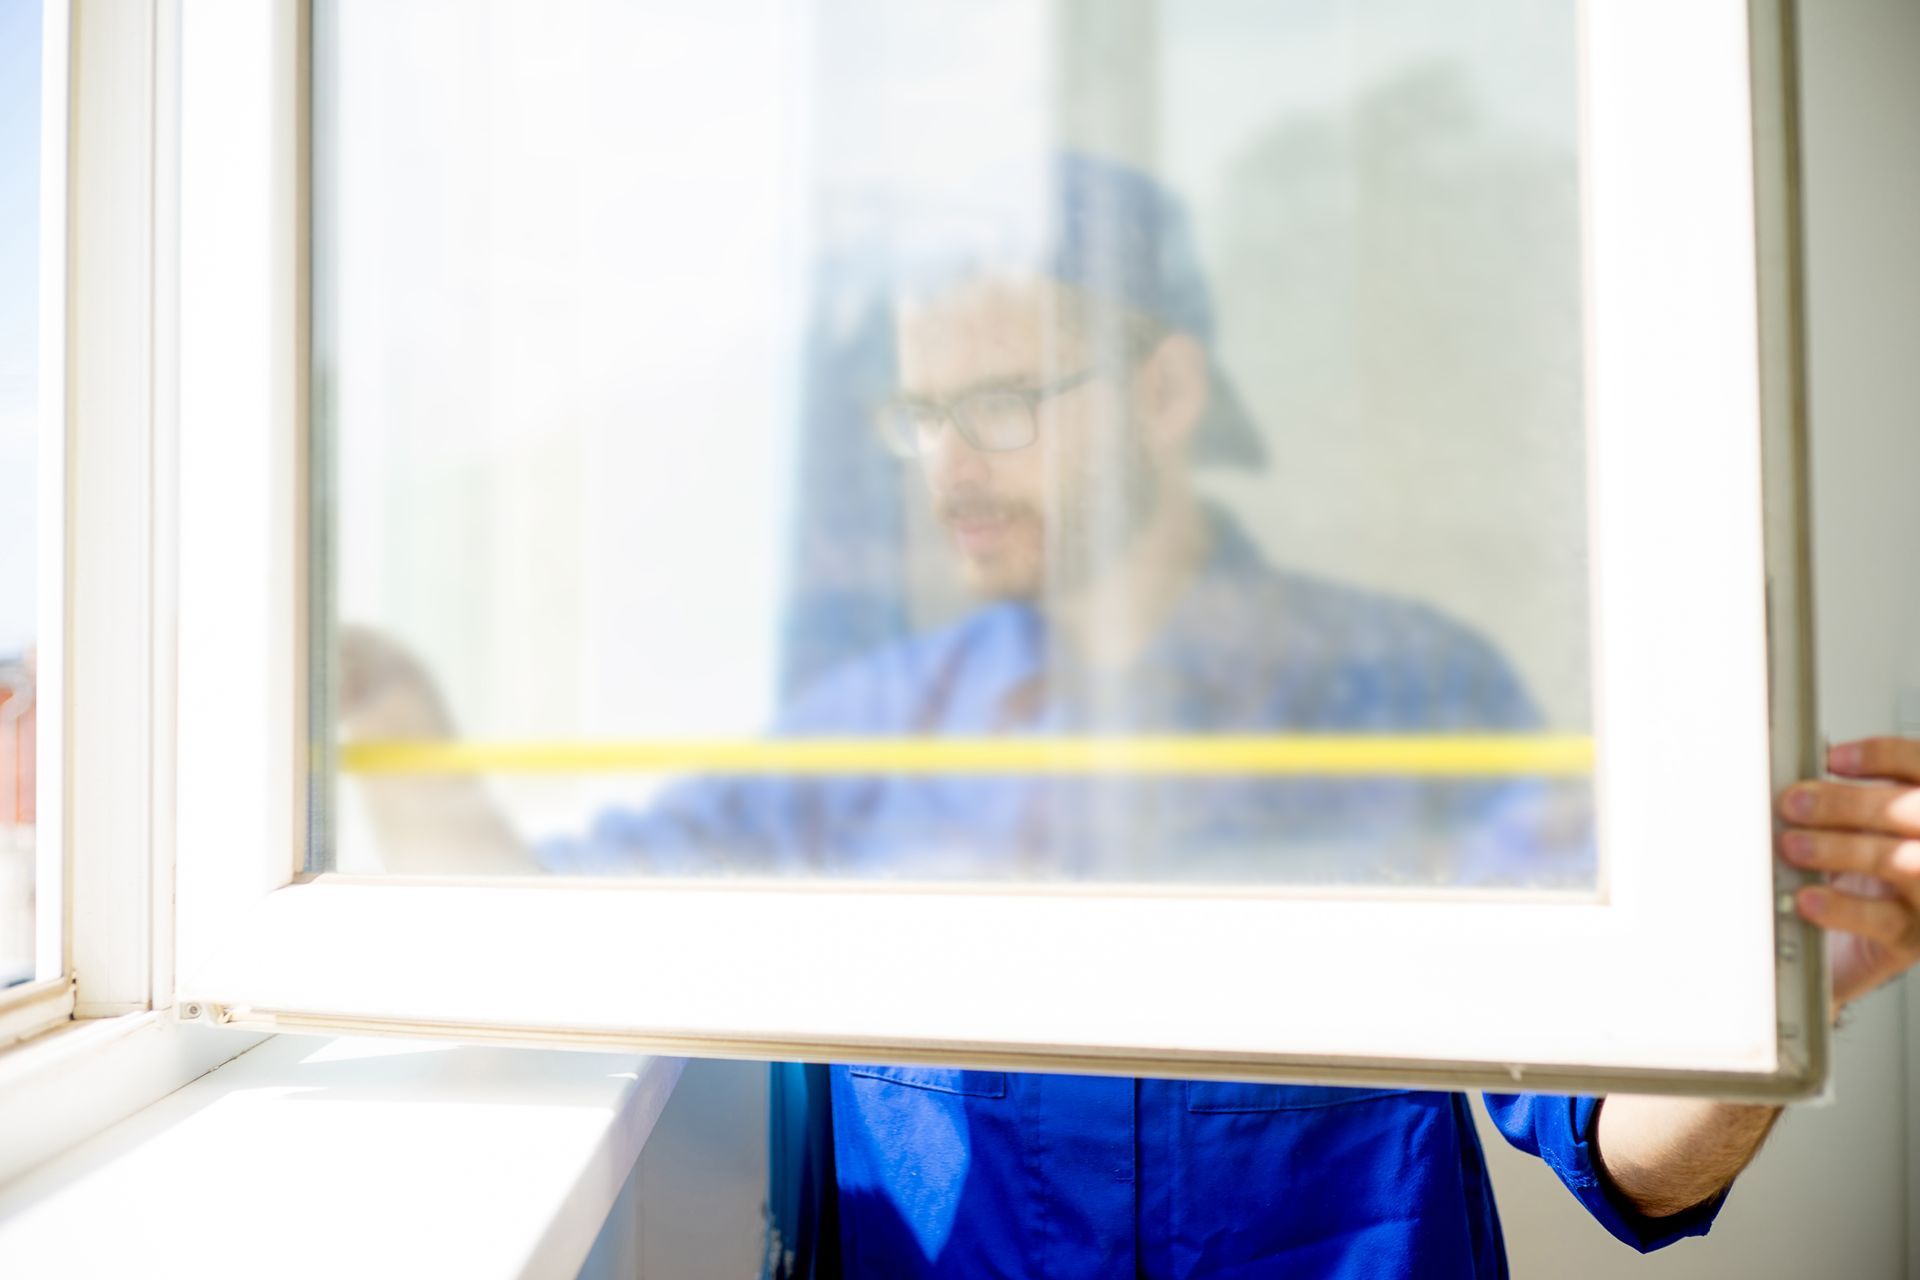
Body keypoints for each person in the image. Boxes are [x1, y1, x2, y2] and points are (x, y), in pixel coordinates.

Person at [341, 154, 1920, 1276]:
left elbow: (1625, 1153)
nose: (950, 468)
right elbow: (528, 934)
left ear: (1167, 393)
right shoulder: (861, 744)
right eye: (920, 419)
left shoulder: (1411, 702)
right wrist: (384, 713)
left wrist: (1780, 1002)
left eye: (1004, 406)